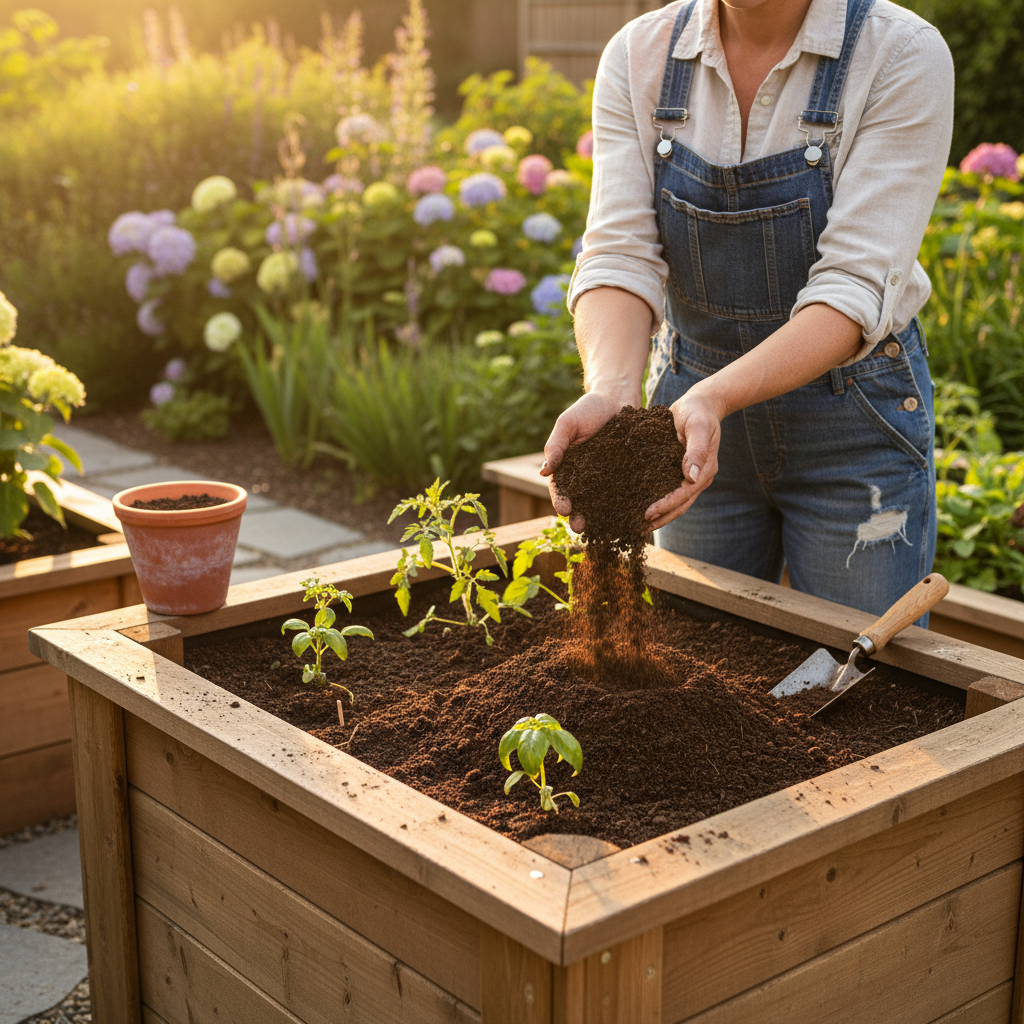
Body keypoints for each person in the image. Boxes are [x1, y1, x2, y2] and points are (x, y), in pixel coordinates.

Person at [541, 0, 954, 619]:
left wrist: (715, 397)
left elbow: (852, 287)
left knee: (859, 687)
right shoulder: (639, 54)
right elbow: (621, 256)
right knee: (702, 669)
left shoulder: (898, 53)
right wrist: (615, 389)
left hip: (851, 424)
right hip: (688, 424)